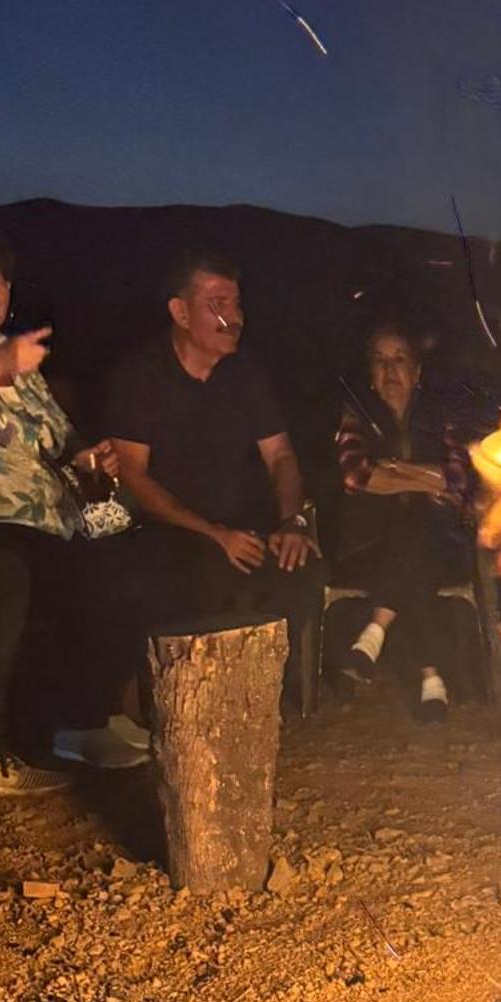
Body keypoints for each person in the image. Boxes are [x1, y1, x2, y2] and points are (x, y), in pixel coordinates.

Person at [106, 250, 323, 702]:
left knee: (300, 571)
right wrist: (214, 533)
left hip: (243, 529)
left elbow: (281, 455)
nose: (233, 317)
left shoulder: (246, 372)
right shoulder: (141, 376)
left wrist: (291, 523)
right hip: (168, 530)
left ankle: (253, 700)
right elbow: (132, 475)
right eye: (217, 304)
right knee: (195, 573)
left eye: (237, 304)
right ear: (180, 312)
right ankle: (177, 700)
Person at [0, 227, 145, 795]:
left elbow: (66, 449)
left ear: (9, 292)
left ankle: (83, 722)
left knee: (131, 562)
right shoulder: (2, 363)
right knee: (9, 568)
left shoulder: (26, 373)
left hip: (50, 524)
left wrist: (95, 461)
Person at [332, 323, 477, 722]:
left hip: (435, 544)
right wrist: (422, 476)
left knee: (417, 535)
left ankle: (374, 633)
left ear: (417, 373)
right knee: (414, 541)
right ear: (371, 375)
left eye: (399, 360)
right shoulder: (357, 416)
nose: (390, 369)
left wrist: (393, 468)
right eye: (380, 361)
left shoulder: (439, 417)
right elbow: (357, 476)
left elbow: (458, 477)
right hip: (369, 545)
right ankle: (431, 678)